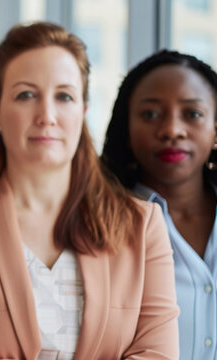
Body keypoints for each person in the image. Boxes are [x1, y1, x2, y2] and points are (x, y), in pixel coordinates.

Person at [0, 22, 179, 359]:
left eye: (64, 96)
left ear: (83, 111)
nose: (47, 116)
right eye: (26, 95)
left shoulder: (142, 224)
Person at [101, 50, 217, 359]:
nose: (172, 130)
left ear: (216, 128)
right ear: (126, 130)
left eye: (192, 114)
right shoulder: (97, 225)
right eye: (151, 114)